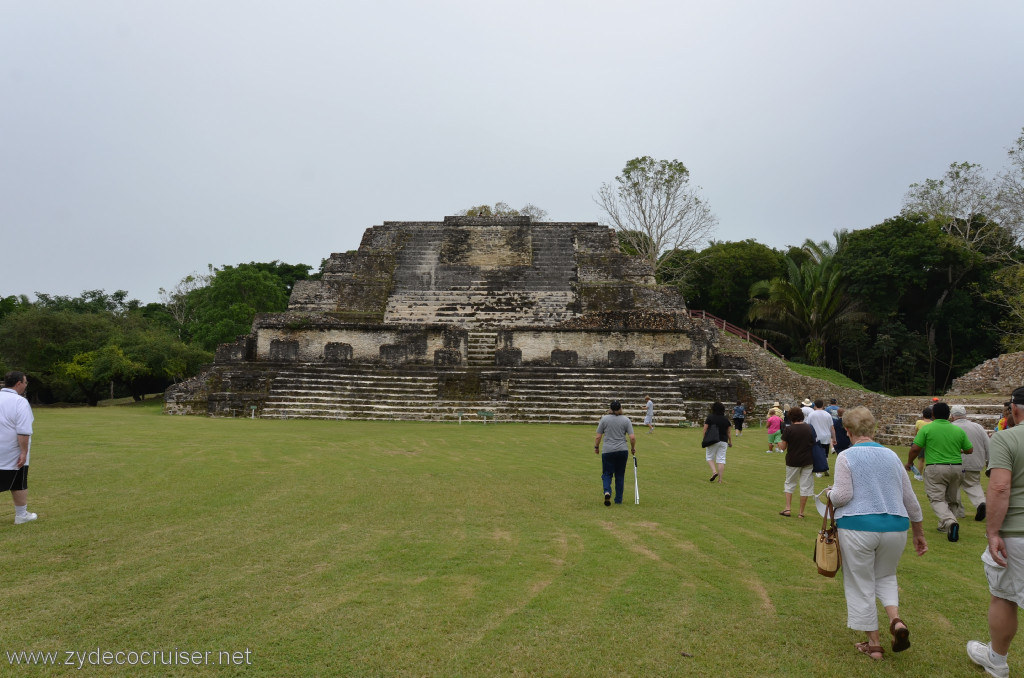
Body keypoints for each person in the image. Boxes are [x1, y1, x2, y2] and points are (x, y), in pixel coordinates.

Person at [826, 406, 927, 661]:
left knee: (861, 583)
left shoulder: (846, 457)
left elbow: (843, 496)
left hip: (858, 527)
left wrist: (829, 494)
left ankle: (874, 644)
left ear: (847, 431)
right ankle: (896, 621)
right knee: (886, 576)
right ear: (873, 429)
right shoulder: (892, 456)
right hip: (895, 527)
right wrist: (919, 532)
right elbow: (910, 500)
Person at [966, 387, 1024, 678]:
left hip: (1017, 532)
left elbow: (1000, 487)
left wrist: (992, 532)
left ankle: (997, 661)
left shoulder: (1007, 437)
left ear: (1014, 409)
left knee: (1004, 596)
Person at [906, 402, 973, 542]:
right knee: (952, 498)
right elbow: (969, 450)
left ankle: (949, 522)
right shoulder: (958, 430)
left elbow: (915, 449)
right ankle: (945, 526)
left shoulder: (928, 429)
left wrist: (910, 462)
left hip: (935, 467)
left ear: (933, 415)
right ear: (949, 415)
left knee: (936, 498)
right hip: (956, 467)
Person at [0, 371, 37, 524]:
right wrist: (23, 452)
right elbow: (23, 430)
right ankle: (21, 515)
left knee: (16, 482)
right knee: (19, 481)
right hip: (11, 451)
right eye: (25, 382)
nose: (26, 385)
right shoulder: (20, 402)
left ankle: (22, 515)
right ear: (18, 383)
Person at [950, 404, 990, 522]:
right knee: (974, 485)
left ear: (952, 416)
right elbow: (988, 445)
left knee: (954, 487)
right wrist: (990, 461)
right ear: (965, 415)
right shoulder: (977, 427)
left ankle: (958, 512)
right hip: (975, 462)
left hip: (955, 462)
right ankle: (981, 503)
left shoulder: (950, 427)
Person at [595, 401, 636, 506]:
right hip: (622, 450)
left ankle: (607, 491)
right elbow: (632, 437)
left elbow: (598, 436)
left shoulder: (604, 419)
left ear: (610, 409)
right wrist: (633, 448)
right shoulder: (626, 420)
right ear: (620, 408)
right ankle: (618, 499)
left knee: (607, 474)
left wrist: (596, 447)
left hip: (608, 450)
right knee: (620, 475)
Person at [779, 407, 814, 517]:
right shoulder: (809, 428)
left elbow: (783, 447)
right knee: (805, 486)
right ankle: (801, 512)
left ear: (790, 417)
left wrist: (779, 443)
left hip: (793, 460)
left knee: (790, 483)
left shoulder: (789, 429)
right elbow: (813, 443)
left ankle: (788, 508)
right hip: (808, 460)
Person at [703, 402, 732, 483]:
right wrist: (730, 442)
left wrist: (705, 439)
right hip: (723, 441)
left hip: (712, 440)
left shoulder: (710, 417)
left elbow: (705, 429)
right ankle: (720, 480)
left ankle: (714, 472)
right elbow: (728, 432)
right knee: (721, 460)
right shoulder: (726, 419)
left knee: (709, 457)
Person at [807, 399, 837, 477]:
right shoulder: (827, 414)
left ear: (815, 406)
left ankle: (819, 471)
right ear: (823, 405)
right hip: (826, 436)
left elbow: (808, 426)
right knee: (825, 454)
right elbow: (832, 427)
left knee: (817, 453)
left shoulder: (812, 414)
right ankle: (825, 468)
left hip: (816, 436)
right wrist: (834, 438)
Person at [911, 406, 934, 480]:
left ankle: (919, 475)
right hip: (930, 443)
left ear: (923, 414)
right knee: (930, 460)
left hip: (921, 443)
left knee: (921, 460)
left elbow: (916, 432)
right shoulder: (933, 423)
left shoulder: (919, 422)